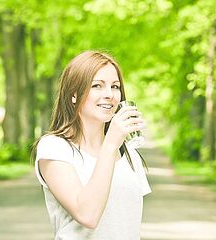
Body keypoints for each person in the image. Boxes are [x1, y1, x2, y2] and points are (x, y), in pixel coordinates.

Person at [32, 50, 151, 240]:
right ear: (74, 94)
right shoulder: (54, 148)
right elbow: (87, 215)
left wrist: (114, 144)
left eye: (115, 87)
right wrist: (110, 144)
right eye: (97, 86)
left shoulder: (128, 152)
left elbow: (127, 225)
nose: (109, 95)